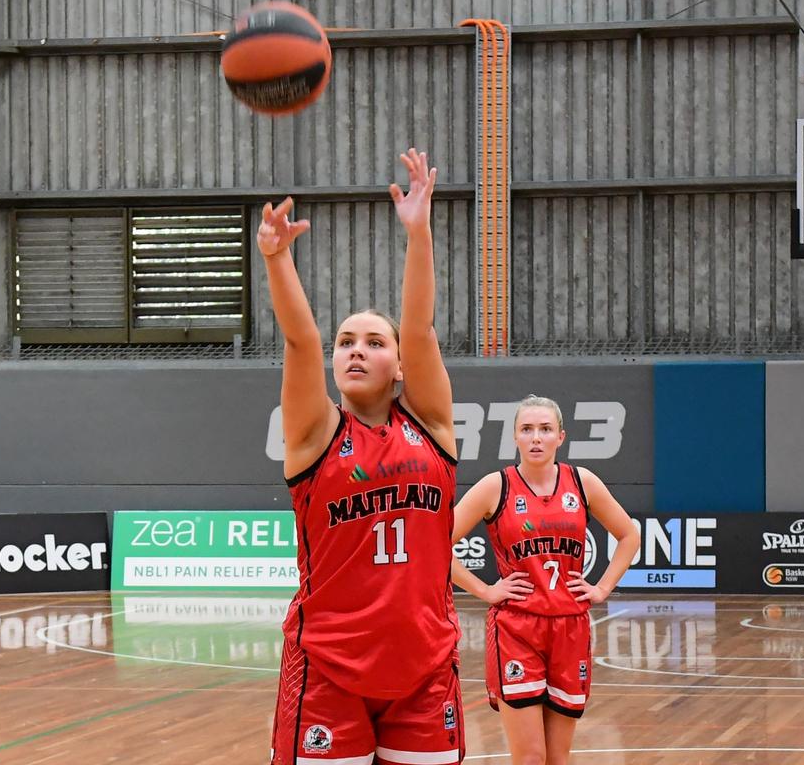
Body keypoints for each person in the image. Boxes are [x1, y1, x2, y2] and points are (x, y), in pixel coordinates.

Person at [261, 148, 463, 765]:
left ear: (399, 366)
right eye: (347, 341)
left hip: (425, 668)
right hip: (329, 668)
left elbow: (421, 327)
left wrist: (419, 231)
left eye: (375, 343)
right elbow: (302, 340)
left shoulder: (429, 425)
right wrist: (276, 258)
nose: (355, 351)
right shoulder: (315, 437)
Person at [451, 395, 640, 765]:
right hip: (517, 629)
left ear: (560, 436)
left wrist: (602, 588)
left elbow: (629, 535)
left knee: (558, 757)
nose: (536, 437)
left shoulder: (582, 482)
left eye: (545, 429)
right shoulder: (496, 486)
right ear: (515, 438)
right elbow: (438, 542)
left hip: (571, 628)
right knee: (530, 757)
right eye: (527, 429)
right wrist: (484, 590)